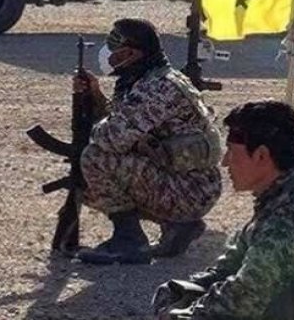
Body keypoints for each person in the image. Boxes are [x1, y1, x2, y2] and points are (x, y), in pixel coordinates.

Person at [152, 100, 294, 319]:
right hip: (291, 306)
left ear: (261, 155)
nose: (226, 162)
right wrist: (189, 290)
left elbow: (247, 295)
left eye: (232, 152)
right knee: (177, 295)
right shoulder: (283, 191)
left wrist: (187, 315)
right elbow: (231, 266)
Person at [76, 18, 222, 264]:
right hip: (190, 184)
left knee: (94, 159)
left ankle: (129, 241)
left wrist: (96, 125)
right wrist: (95, 97)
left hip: (189, 191)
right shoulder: (152, 78)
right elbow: (125, 123)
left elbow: (112, 138)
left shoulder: (157, 88)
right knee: (98, 170)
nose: (108, 53)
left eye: (114, 47)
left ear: (132, 54)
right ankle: (177, 227)